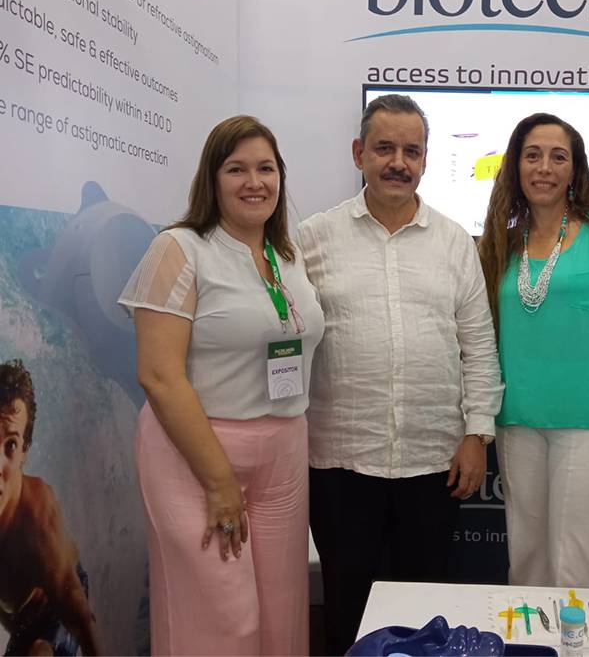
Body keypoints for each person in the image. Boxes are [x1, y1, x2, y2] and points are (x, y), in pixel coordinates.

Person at [298, 94, 503, 655]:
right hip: (340, 460)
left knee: (423, 612)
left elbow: (478, 345)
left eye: (411, 151)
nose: (398, 162)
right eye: (384, 148)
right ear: (358, 153)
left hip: (432, 462)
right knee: (346, 607)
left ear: (426, 160)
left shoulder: (454, 241)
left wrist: (477, 433)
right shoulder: (312, 238)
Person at [117, 116, 324, 655]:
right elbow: (158, 375)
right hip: (197, 454)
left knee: (282, 612)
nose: (254, 182)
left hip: (283, 449)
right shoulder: (179, 248)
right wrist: (218, 480)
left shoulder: (286, 255)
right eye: (236, 169)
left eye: (266, 169)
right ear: (212, 179)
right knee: (219, 620)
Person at [478, 112, 589, 588]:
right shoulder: (501, 243)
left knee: (572, 565)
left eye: (558, 157)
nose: (544, 168)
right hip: (518, 421)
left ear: (575, 170)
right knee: (526, 561)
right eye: (532, 156)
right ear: (515, 166)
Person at [0, 359, 100, 657]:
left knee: (41, 653)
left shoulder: (38, 519)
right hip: (22, 619)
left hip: (58, 602)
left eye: (10, 446)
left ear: (24, 453)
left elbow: (83, 624)